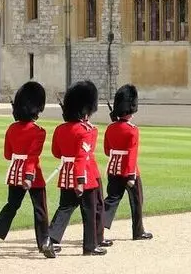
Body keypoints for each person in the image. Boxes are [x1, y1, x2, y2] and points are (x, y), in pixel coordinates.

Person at [0, 81, 56, 258]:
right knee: (40, 208)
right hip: (32, 174)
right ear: (36, 108)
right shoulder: (39, 131)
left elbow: (8, 155)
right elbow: (32, 157)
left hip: (14, 173)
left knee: (12, 206)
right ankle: (45, 242)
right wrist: (29, 176)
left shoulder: (12, 129)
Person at [46, 80, 109, 256]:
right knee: (89, 212)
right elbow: (83, 157)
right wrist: (80, 181)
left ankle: (50, 240)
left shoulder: (60, 129)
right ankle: (90, 246)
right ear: (86, 110)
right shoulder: (87, 130)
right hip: (85, 177)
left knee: (65, 207)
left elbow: (56, 153)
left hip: (66, 174)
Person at [103, 84, 153, 241]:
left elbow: (107, 150)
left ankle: (97, 230)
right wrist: (131, 175)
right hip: (128, 170)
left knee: (111, 200)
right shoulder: (132, 130)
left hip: (113, 168)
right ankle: (138, 232)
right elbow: (132, 154)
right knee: (137, 201)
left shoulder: (110, 128)